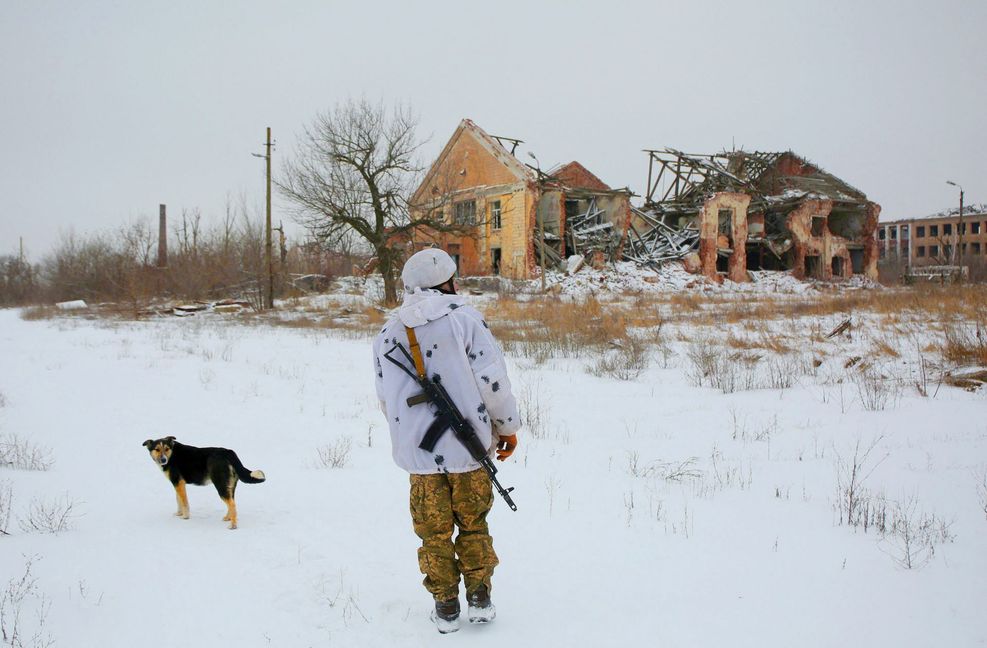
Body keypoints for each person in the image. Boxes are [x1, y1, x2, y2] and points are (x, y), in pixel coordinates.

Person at [372, 247, 521, 634]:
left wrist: (409, 438)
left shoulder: (387, 333)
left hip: (420, 459)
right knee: (474, 524)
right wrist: (506, 427)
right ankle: (480, 597)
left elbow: (385, 399)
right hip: (468, 451)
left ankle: (445, 605)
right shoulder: (465, 320)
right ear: (447, 282)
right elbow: (493, 383)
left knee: (432, 532)